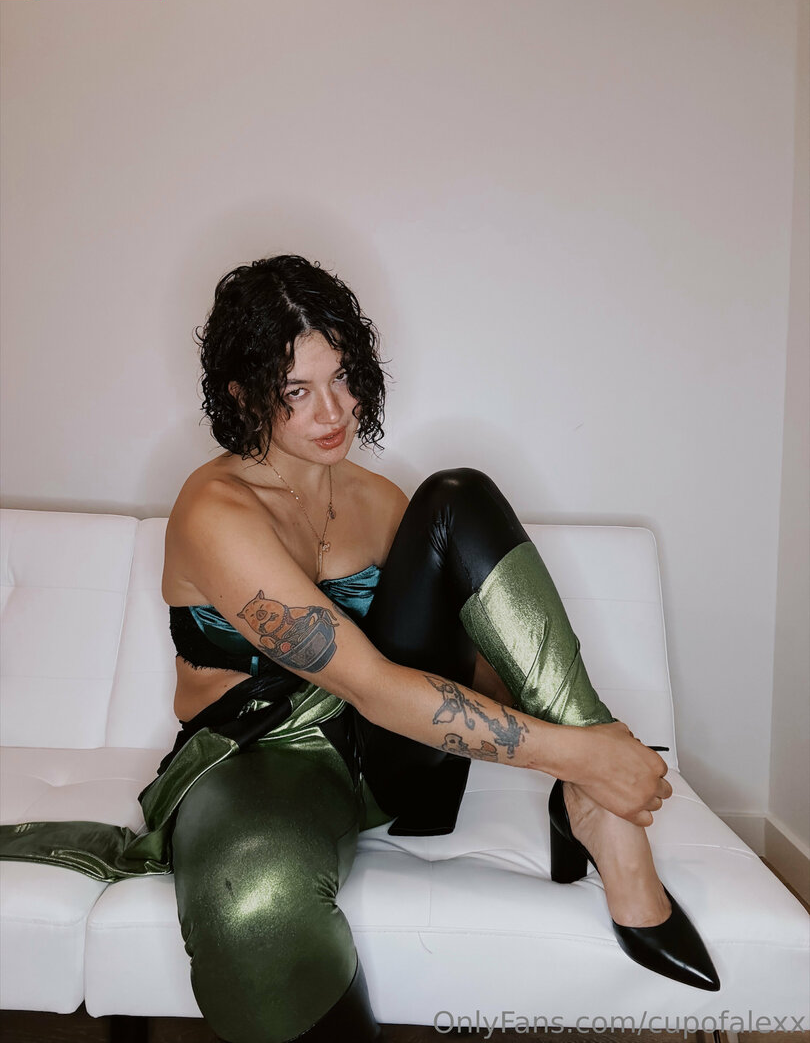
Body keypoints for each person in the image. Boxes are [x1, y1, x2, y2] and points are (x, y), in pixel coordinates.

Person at [0, 254, 720, 1043]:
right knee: (252, 903)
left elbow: (468, 657)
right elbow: (374, 683)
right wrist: (581, 755)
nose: (335, 410)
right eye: (297, 391)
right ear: (241, 394)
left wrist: (579, 750)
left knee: (458, 494)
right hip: (260, 757)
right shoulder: (215, 510)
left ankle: (605, 820)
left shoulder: (378, 499)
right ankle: (592, 782)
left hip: (387, 751)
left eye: (342, 377)